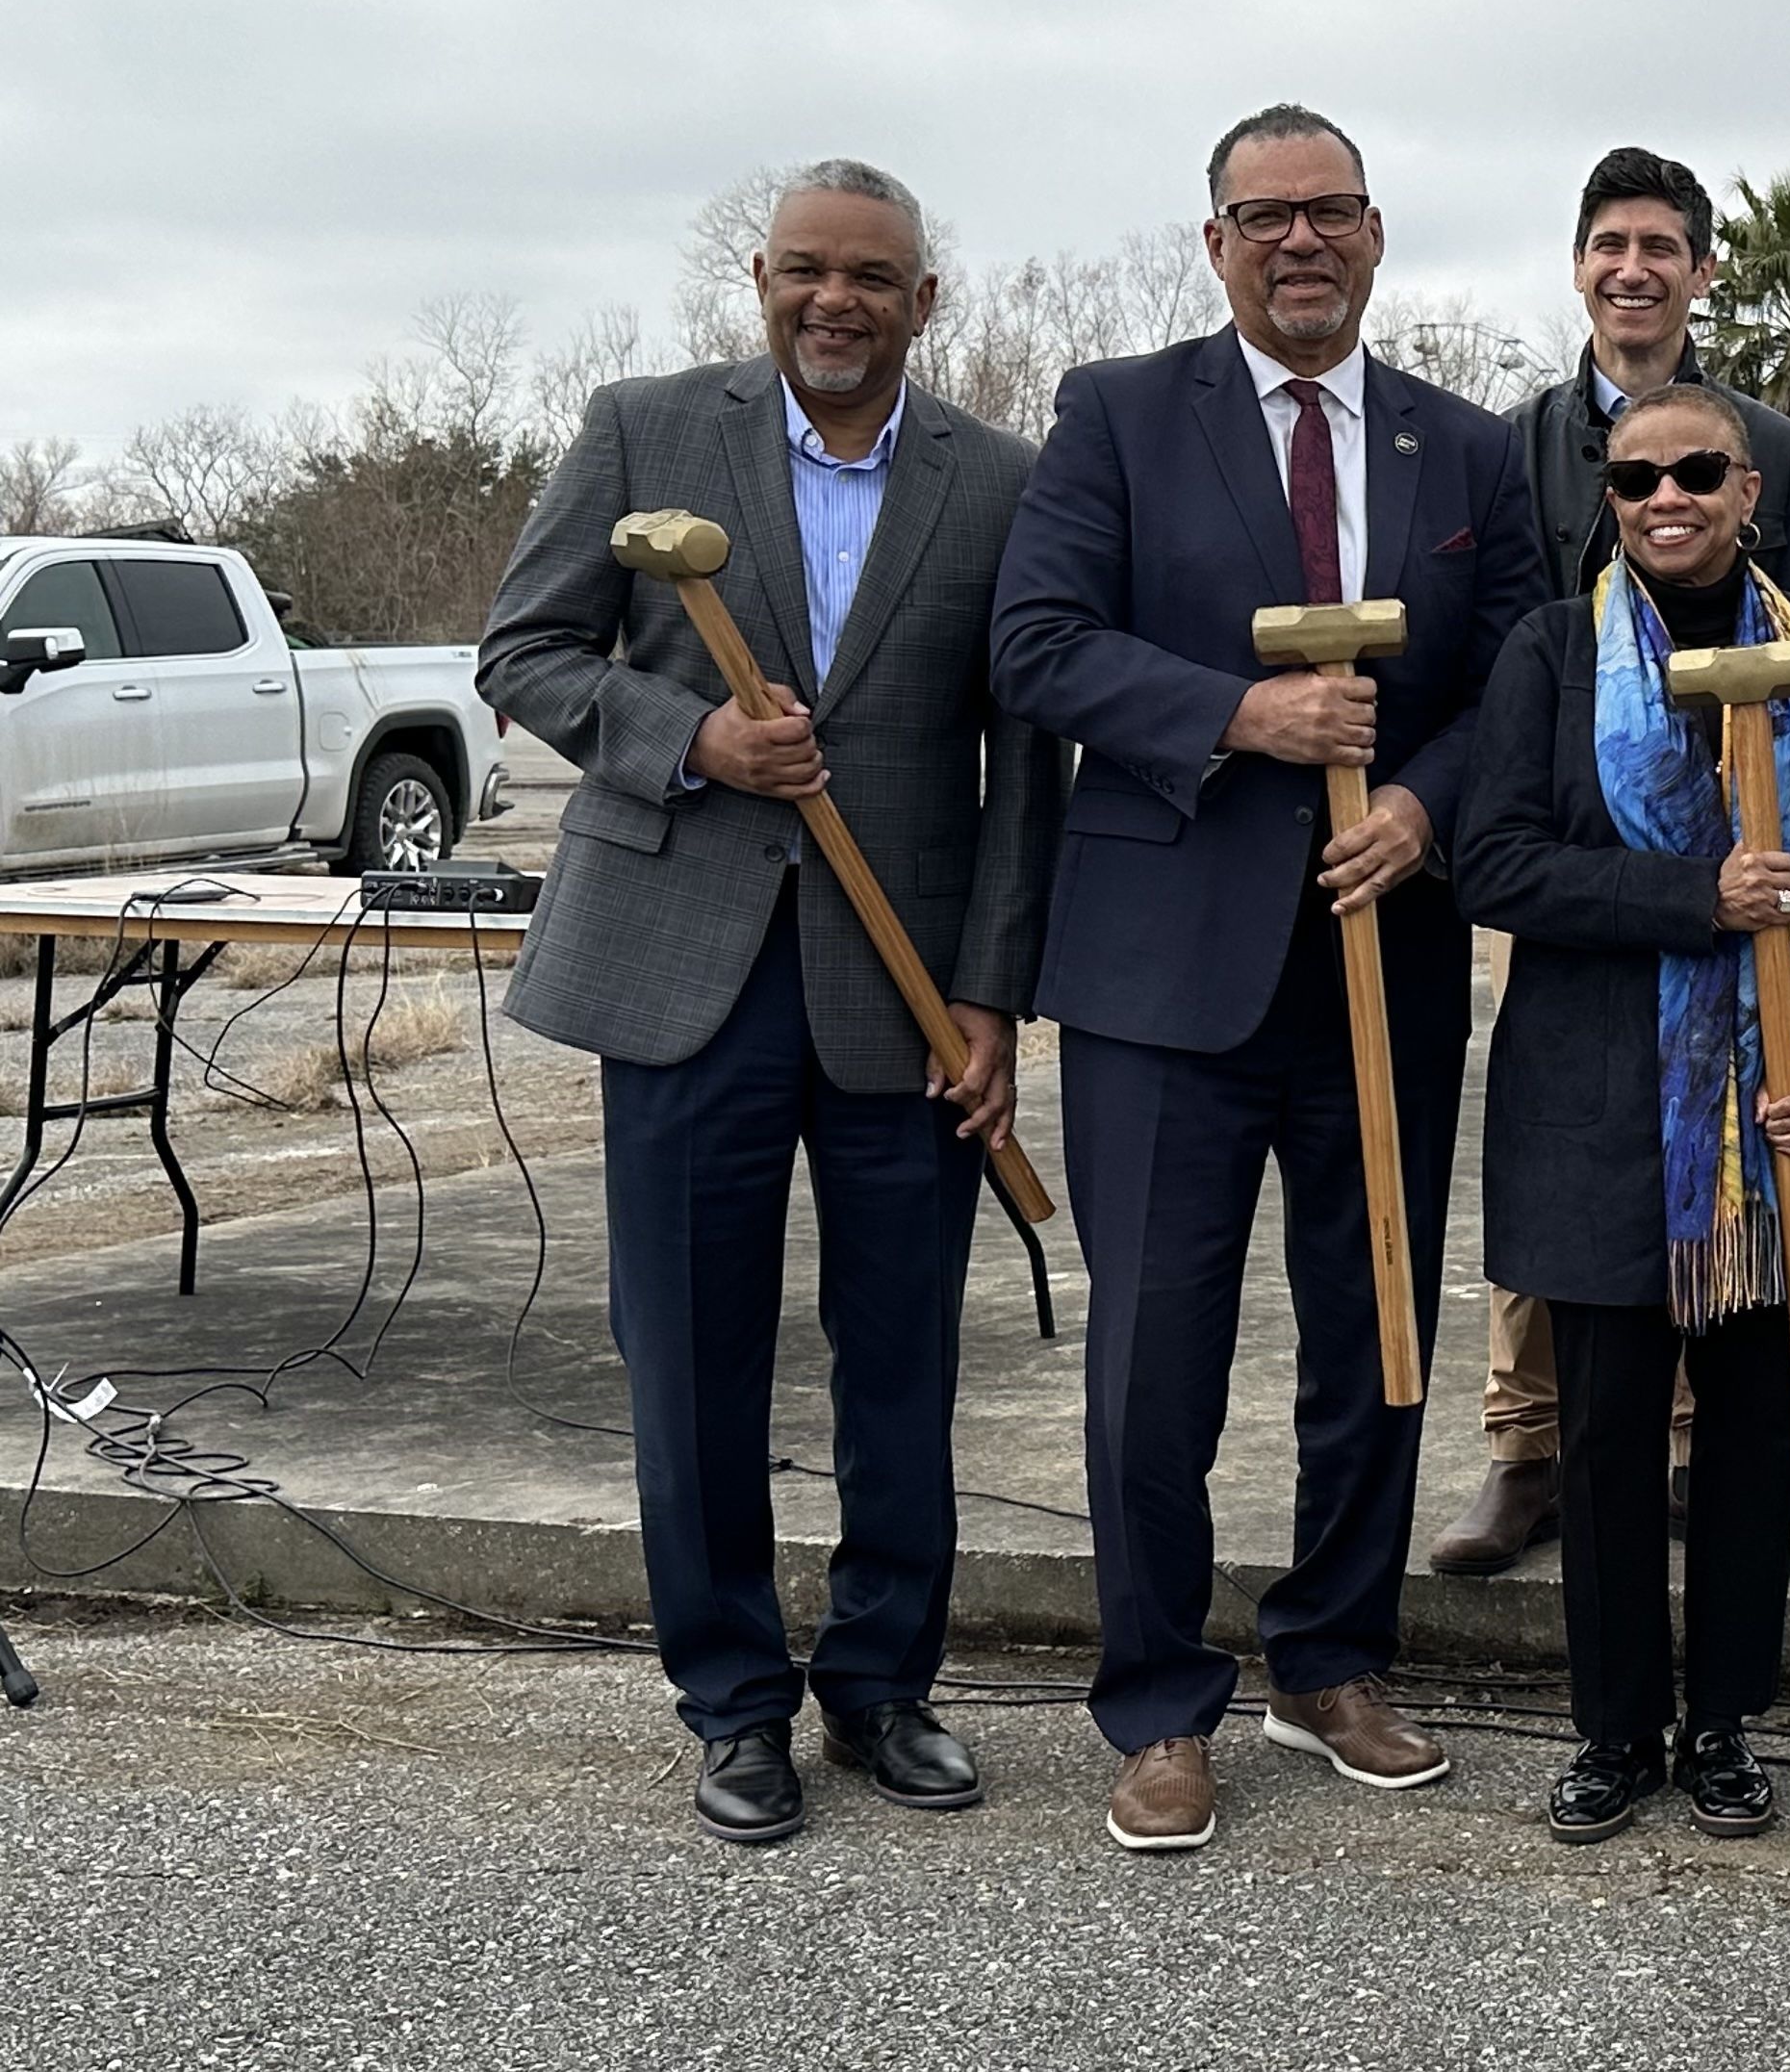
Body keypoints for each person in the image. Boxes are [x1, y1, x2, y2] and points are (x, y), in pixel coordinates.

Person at [476, 159, 1059, 1844]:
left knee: (899, 1363)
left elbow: (1023, 768)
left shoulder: (998, 480)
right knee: (691, 1360)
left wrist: (995, 998)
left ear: (924, 301)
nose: (836, 300)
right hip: (685, 978)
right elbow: (523, 650)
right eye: (806, 269)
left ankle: (882, 1684)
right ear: (759, 278)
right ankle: (731, 1702)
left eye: (873, 276)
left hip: (901, 987)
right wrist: (697, 739)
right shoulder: (645, 430)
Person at [989, 103, 1547, 1855]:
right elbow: (1040, 643)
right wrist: (1240, 713)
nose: (1300, 242)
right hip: (1166, 974)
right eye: (1264, 217)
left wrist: (1417, 802)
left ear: (1375, 235)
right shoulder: (1118, 416)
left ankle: (1333, 1648)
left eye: (1331, 213)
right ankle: (1157, 1695)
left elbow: (1516, 666)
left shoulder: (1463, 449)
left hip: (1379, 958)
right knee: (1156, 1348)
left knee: (1374, 1323)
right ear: (1214, 241)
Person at [1458, 386, 1790, 1843]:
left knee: (1751, 1431)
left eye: (1697, 469)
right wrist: (1685, 899)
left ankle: (1723, 1721)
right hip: (1604, 1111)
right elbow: (1498, 867)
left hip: (1774, 1110)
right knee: (1599, 1437)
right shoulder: (1551, 655)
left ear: (1749, 491)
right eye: (1636, 473)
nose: (1667, 494)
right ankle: (1612, 1729)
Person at [1437, 146, 1790, 1576]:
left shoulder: (1777, 447)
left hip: (1729, 843)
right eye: (1608, 242)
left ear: (1700, 270)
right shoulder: (1521, 439)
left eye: (1661, 244)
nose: (1633, 267)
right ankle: (1525, 1450)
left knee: (1718, 1141)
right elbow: (1500, 630)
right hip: (1576, 818)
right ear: (1577, 265)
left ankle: (1700, 1459)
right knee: (1570, 1184)